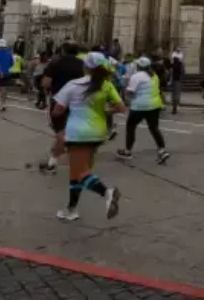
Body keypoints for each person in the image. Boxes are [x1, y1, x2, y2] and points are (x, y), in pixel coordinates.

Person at [51, 52, 126, 221]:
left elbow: (58, 110)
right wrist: (106, 110)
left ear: (85, 67)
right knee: (77, 171)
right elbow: (121, 107)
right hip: (98, 132)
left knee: (80, 172)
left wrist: (58, 116)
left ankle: (107, 192)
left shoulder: (73, 84)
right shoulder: (106, 84)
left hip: (78, 133)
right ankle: (71, 209)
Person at [39, 42, 85, 173]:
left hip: (59, 100)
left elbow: (46, 83)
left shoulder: (55, 63)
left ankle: (53, 163)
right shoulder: (83, 64)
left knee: (60, 131)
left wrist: (46, 91)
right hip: (78, 101)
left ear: (63, 50)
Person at [115, 56, 170, 164]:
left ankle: (128, 151)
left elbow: (130, 92)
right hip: (154, 106)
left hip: (139, 106)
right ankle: (162, 150)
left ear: (139, 66)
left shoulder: (136, 76)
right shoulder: (154, 76)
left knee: (131, 127)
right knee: (154, 128)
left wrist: (126, 93)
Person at [0, 39, 15, 112]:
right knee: (3, 88)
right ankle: (3, 104)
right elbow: (12, 64)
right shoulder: (9, 53)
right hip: (5, 73)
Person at [169, 48, 184, 114]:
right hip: (177, 80)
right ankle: (175, 107)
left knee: (174, 94)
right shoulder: (179, 64)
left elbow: (171, 73)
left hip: (174, 80)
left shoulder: (173, 65)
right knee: (176, 94)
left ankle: (174, 107)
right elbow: (182, 73)